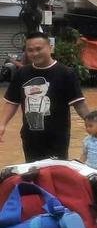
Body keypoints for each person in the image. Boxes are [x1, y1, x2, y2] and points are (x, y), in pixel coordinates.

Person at [0, 33, 89, 161]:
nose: (35, 53)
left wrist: (93, 122)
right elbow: (12, 102)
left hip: (57, 138)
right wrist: (2, 124)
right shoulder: (22, 73)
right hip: (30, 137)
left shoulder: (65, 73)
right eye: (30, 50)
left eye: (38, 49)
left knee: (55, 174)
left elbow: (79, 104)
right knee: (33, 175)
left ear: (50, 48)